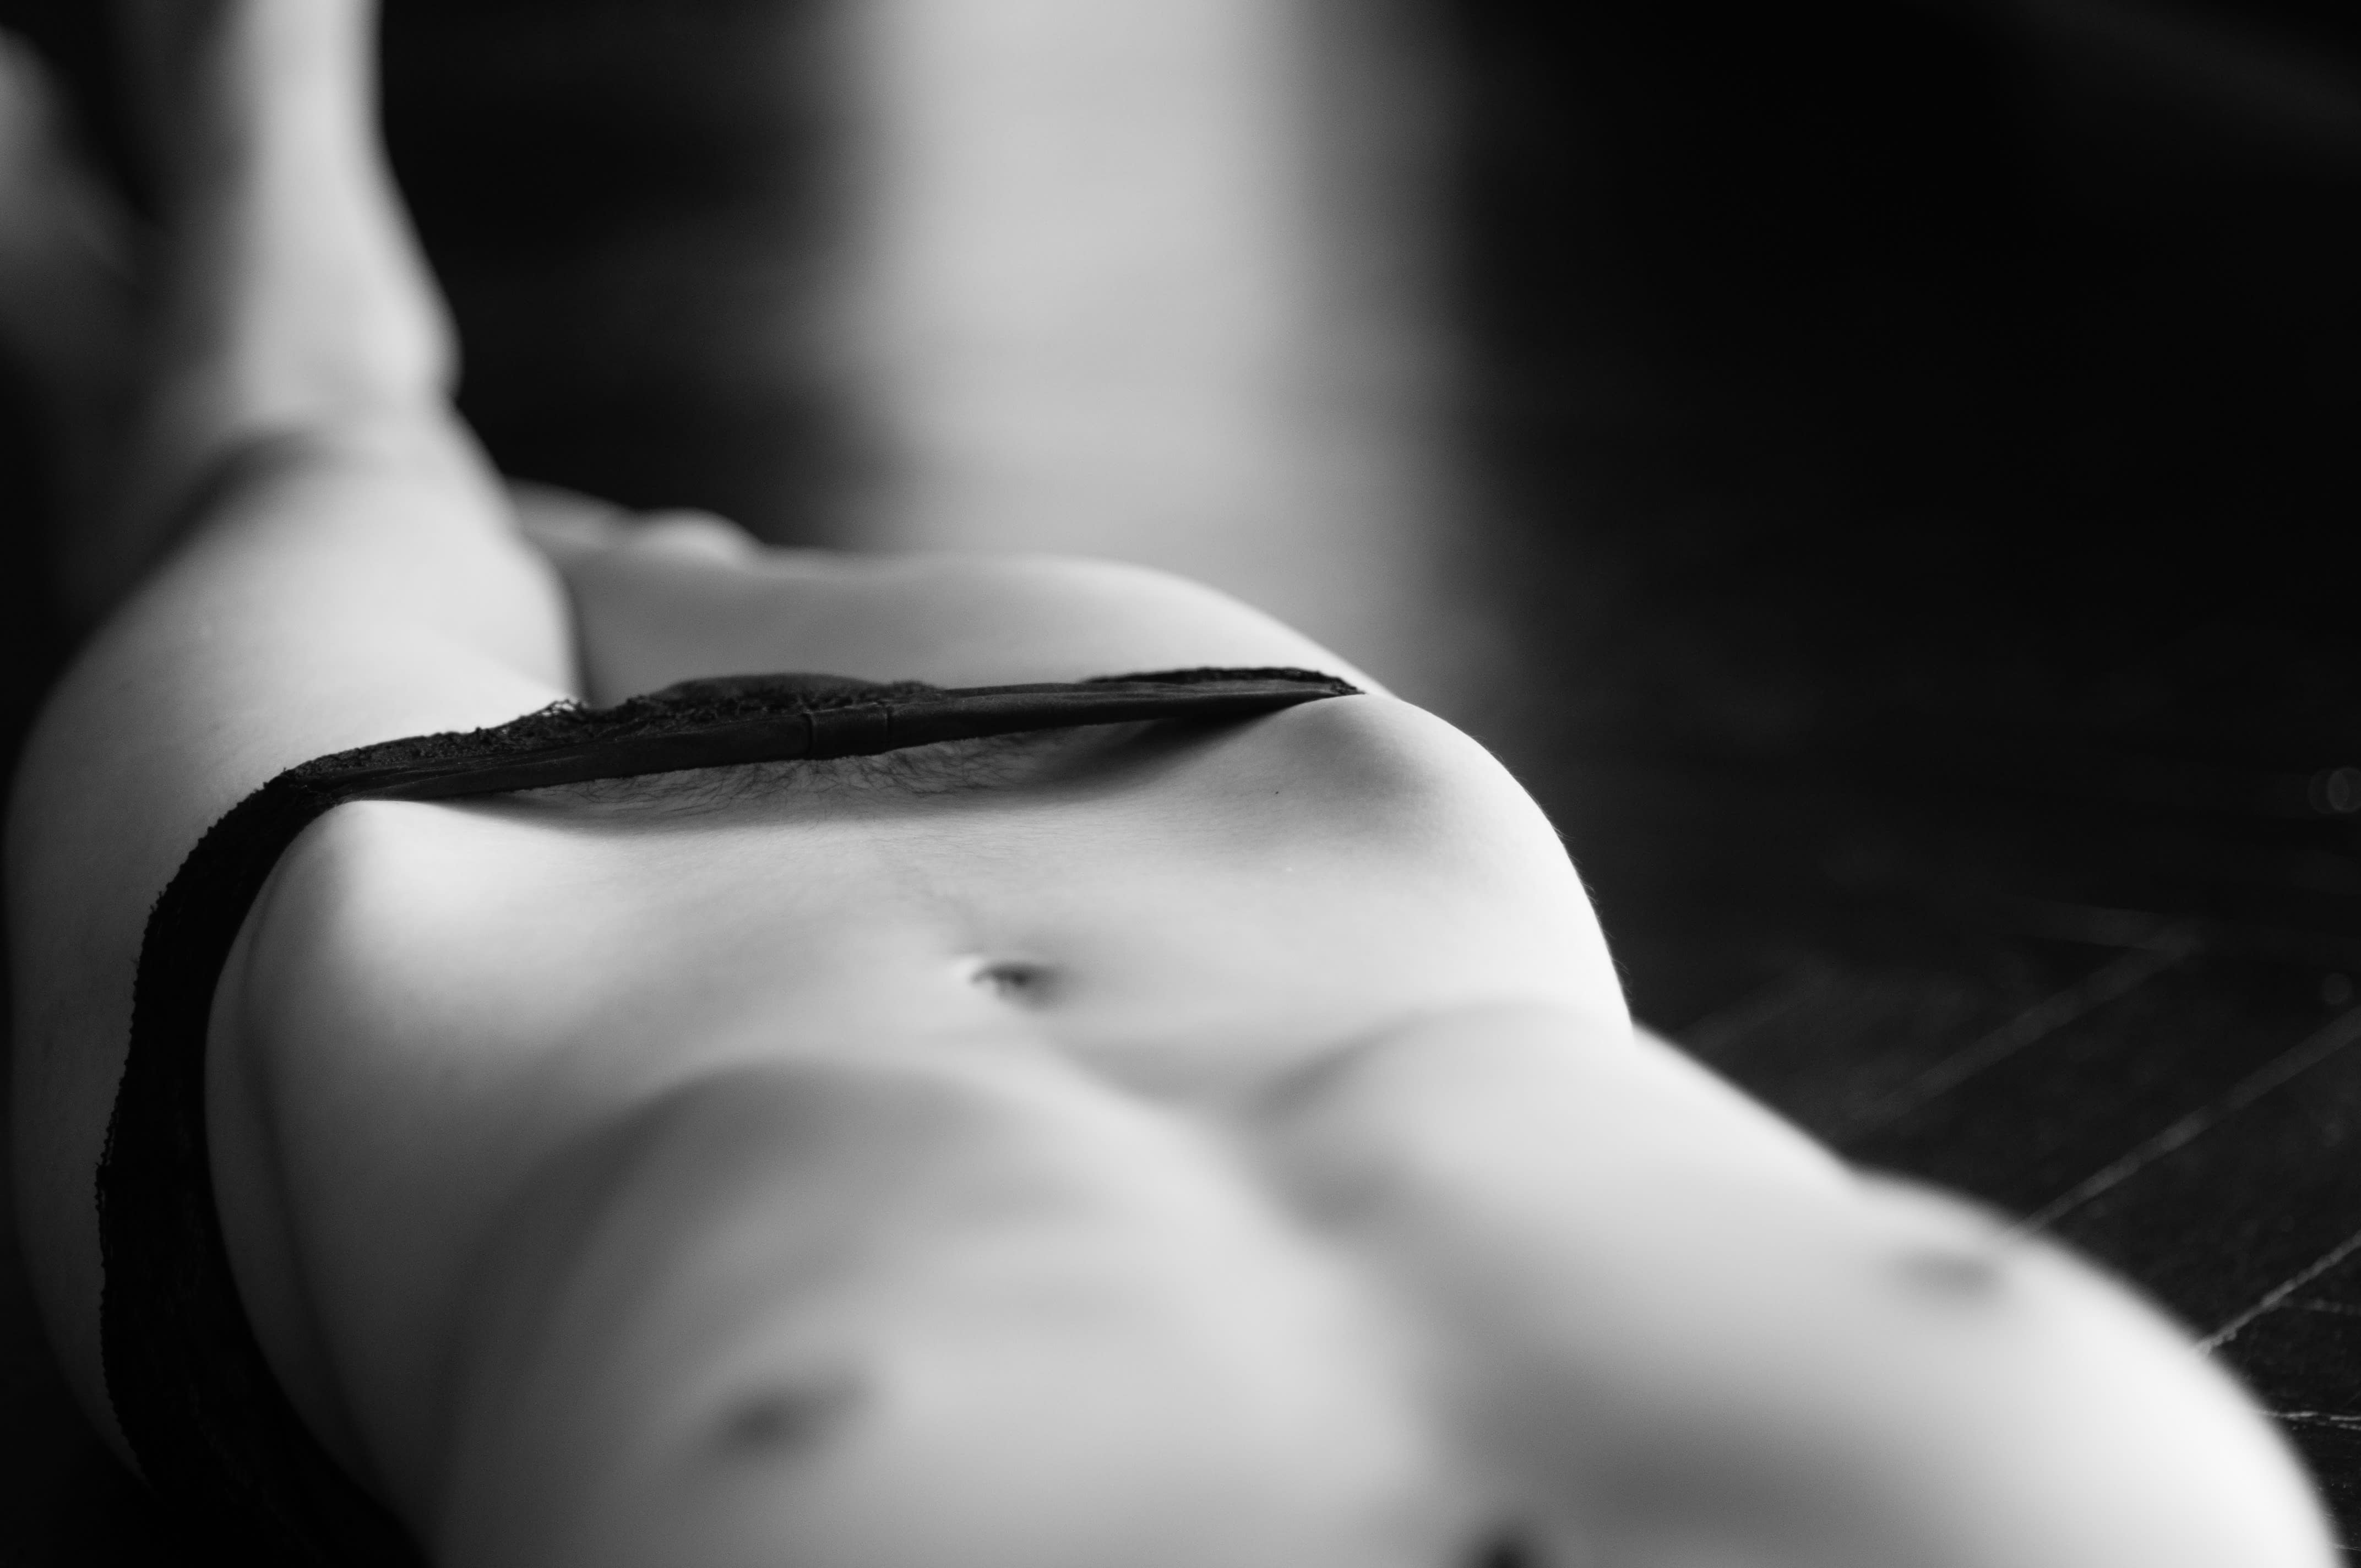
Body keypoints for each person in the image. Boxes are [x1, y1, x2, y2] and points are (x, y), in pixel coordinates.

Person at [0, 3, 2336, 1565]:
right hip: (1228, 791)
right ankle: (162, 347)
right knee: (416, 477)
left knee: (319, 436)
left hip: (416, 973)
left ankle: (164, 302)